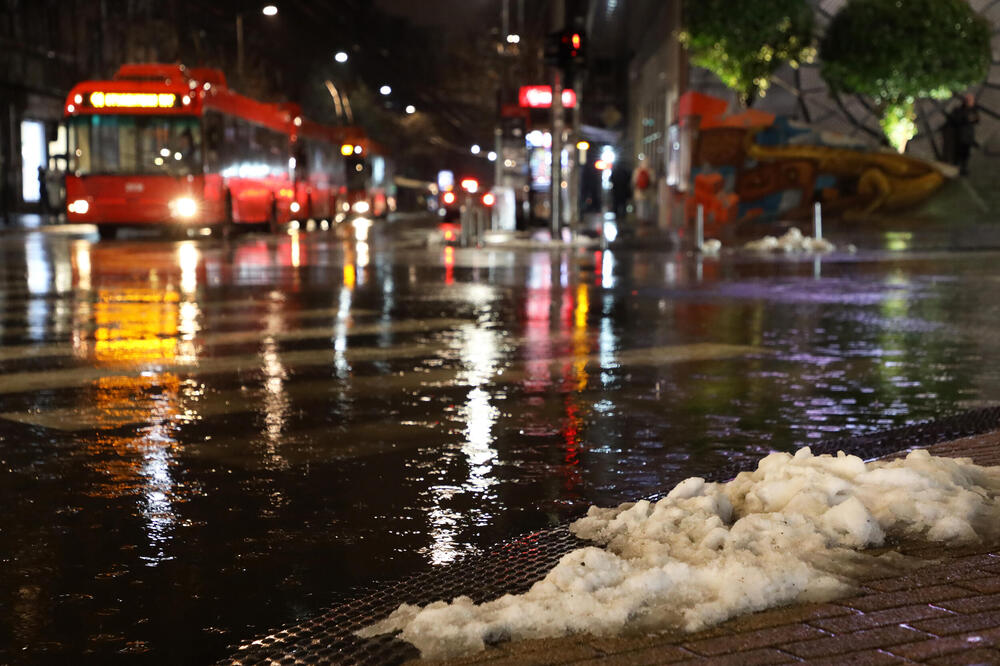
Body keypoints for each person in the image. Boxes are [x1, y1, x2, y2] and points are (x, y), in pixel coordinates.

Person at [947, 94, 979, 175]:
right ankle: (956, 169)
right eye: (969, 100)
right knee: (958, 153)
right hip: (961, 135)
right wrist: (967, 119)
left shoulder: (973, 110)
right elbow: (955, 120)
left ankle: (963, 168)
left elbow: (976, 119)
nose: (971, 102)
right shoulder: (959, 110)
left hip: (968, 135)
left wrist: (970, 119)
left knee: (966, 153)